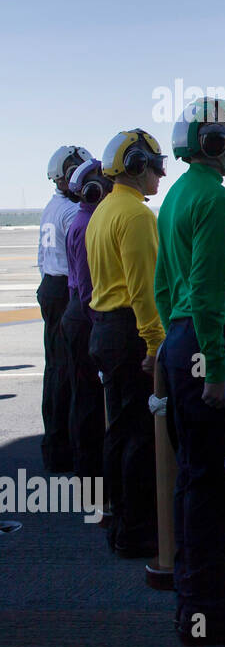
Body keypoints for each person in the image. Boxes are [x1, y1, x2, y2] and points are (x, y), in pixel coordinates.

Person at [154, 97, 225, 646]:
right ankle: (212, 612)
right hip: (206, 343)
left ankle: (194, 601)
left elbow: (166, 286)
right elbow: (212, 292)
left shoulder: (174, 196)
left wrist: (175, 343)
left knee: (193, 476)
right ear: (213, 142)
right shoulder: (214, 198)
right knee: (214, 479)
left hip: (180, 339)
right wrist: (213, 368)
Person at [87, 129, 167, 557]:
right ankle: (138, 531)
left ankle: (119, 520)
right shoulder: (136, 216)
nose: (159, 174)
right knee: (139, 436)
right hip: (130, 332)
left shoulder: (103, 210)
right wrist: (155, 344)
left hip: (106, 328)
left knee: (118, 430)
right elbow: (145, 290)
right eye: (155, 165)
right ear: (137, 167)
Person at [38, 144, 92, 472]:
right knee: (70, 374)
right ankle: (64, 449)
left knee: (54, 369)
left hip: (50, 286)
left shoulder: (52, 206)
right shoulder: (73, 212)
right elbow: (81, 263)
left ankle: (54, 446)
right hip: (64, 290)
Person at [61, 159, 111, 484]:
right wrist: (101, 331)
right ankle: (90, 477)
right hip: (84, 320)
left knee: (85, 398)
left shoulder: (83, 220)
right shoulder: (86, 225)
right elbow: (87, 288)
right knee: (90, 403)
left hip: (77, 317)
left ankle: (87, 473)